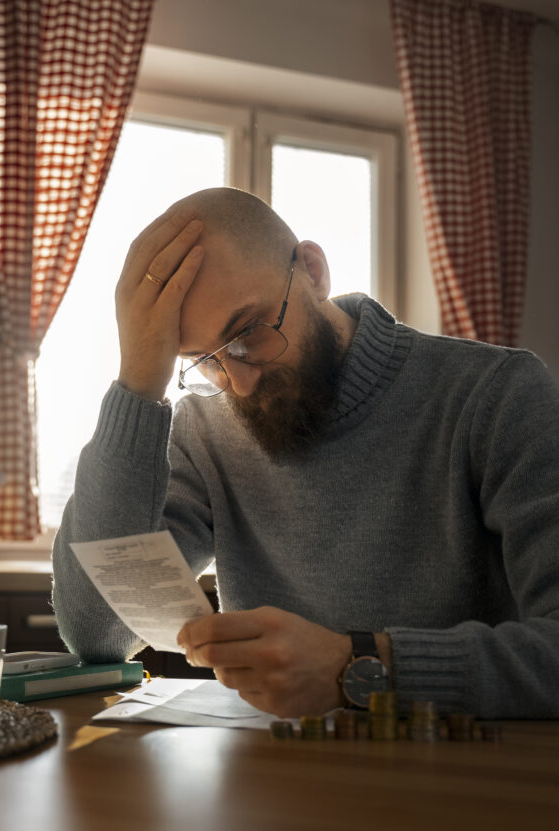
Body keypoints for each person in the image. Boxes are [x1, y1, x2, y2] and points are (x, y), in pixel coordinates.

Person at [52, 187, 559, 719]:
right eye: (204, 360)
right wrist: (138, 385)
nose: (239, 384)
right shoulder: (204, 425)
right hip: (272, 778)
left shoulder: (495, 395)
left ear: (314, 272)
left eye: (249, 331)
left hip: (461, 781)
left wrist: (356, 668)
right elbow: (96, 635)